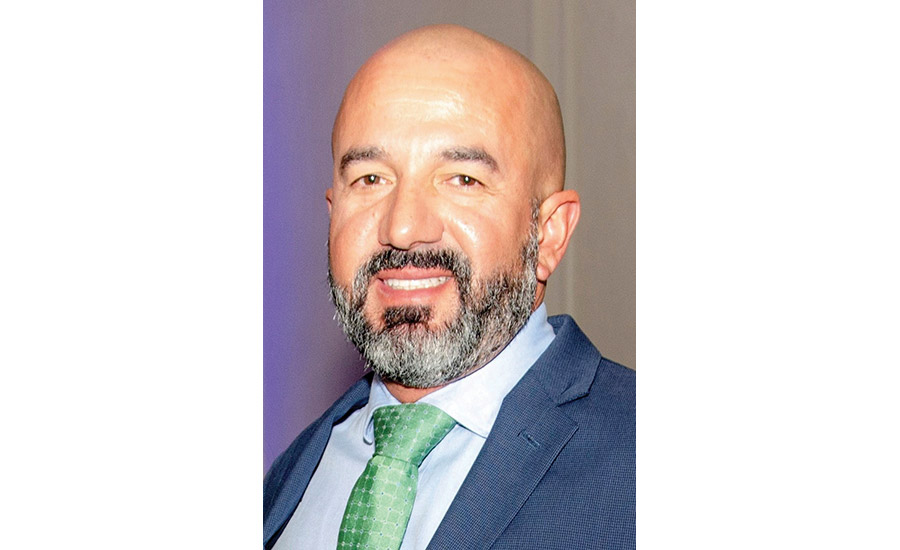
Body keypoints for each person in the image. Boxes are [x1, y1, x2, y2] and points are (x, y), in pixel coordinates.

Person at [264, 24, 634, 550]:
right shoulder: (290, 478)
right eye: (370, 178)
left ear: (548, 234)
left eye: (462, 179)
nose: (402, 227)